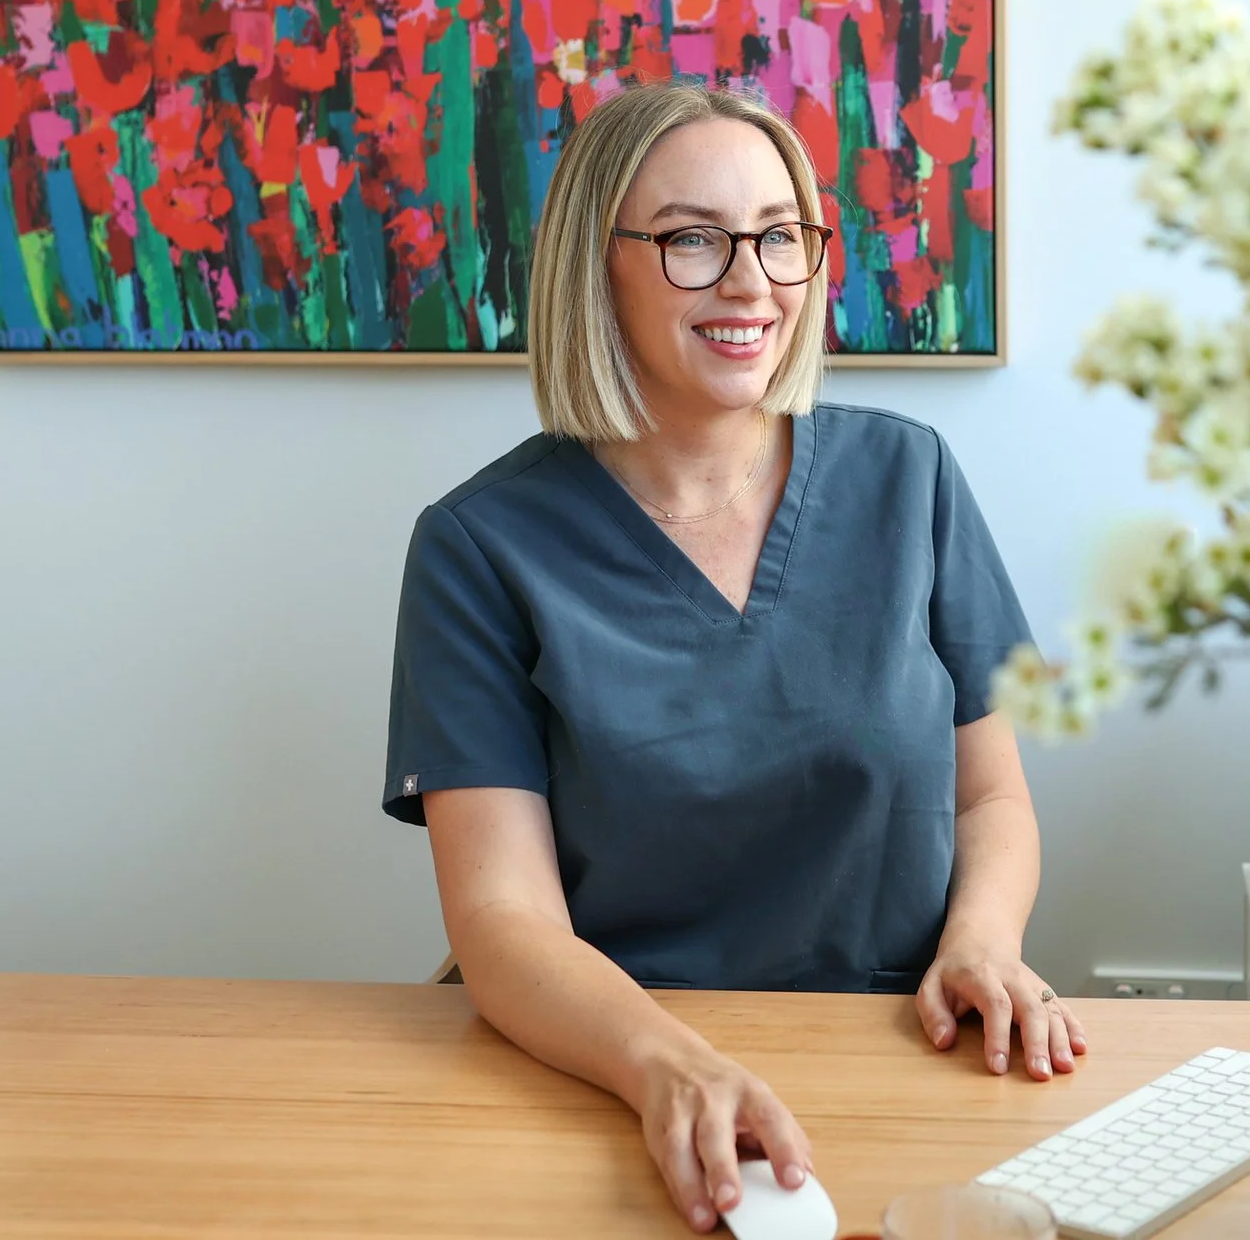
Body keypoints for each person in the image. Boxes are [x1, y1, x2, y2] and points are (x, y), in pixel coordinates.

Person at [382, 82, 1085, 1233]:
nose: (751, 280)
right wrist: (666, 1065)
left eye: (779, 235)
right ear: (593, 264)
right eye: (693, 240)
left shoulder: (911, 481)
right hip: (606, 1072)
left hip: (905, 1049)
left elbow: (993, 792)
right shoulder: (478, 547)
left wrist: (981, 942)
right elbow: (502, 924)